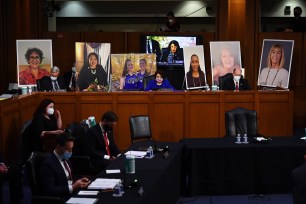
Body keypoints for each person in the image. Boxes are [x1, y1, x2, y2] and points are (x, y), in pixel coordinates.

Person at [39, 133, 90, 197]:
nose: (71, 152)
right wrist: (73, 187)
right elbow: (49, 190)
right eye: (68, 149)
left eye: (72, 148)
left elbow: (70, 177)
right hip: (62, 198)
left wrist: (81, 180)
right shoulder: (48, 165)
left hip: (73, 193)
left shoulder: (66, 158)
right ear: (58, 147)